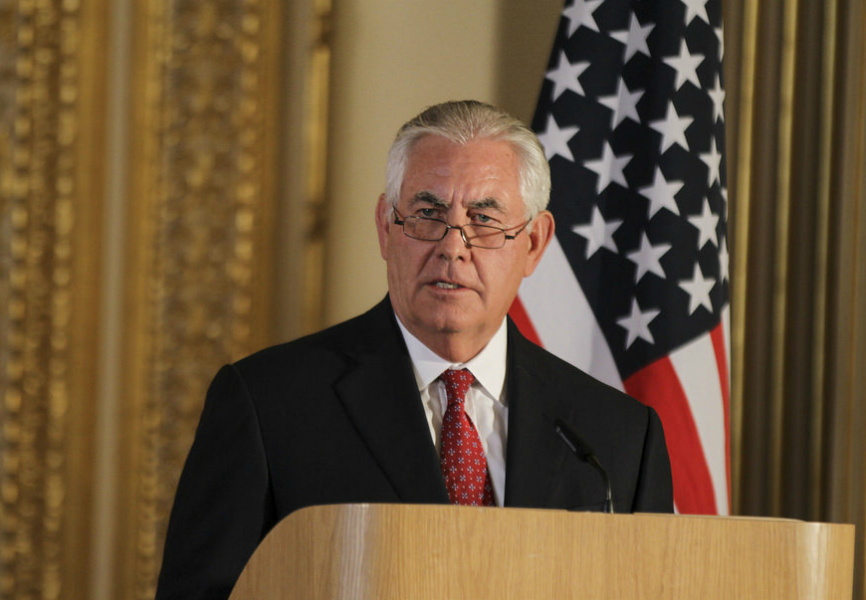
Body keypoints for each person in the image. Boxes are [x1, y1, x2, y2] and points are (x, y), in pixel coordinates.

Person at [154, 100, 673, 600]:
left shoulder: (618, 438)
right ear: (385, 227)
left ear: (534, 242)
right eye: (427, 213)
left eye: (484, 220)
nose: (453, 245)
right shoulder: (267, 406)